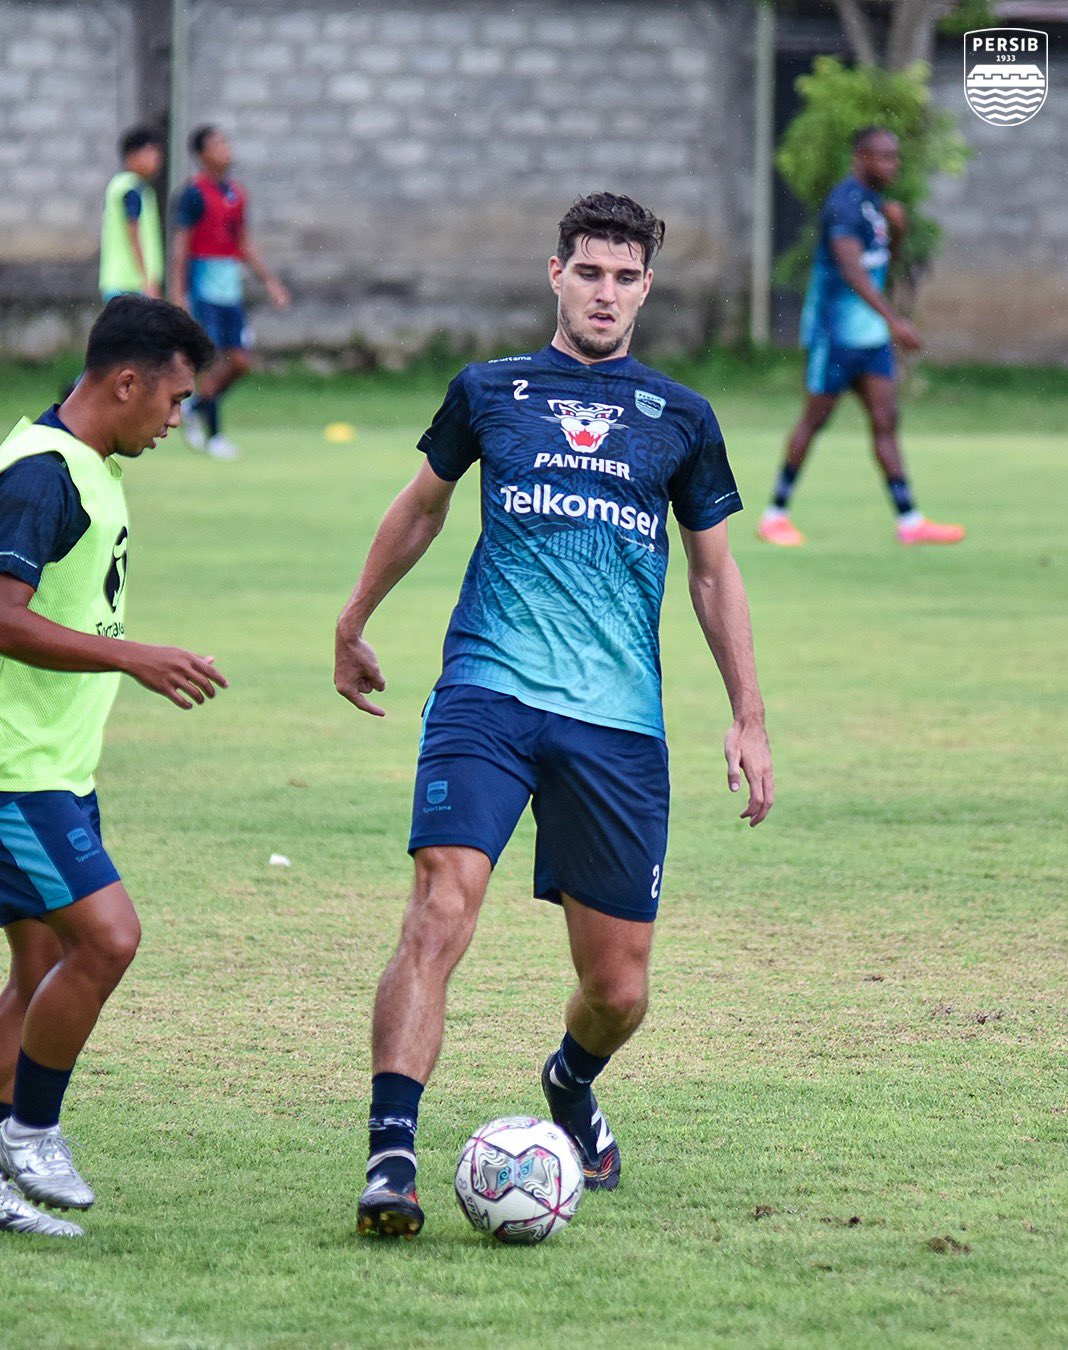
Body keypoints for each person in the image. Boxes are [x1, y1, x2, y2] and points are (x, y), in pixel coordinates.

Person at [334, 192, 775, 1240]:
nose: (606, 293)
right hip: (487, 692)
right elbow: (425, 506)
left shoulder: (681, 418)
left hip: (617, 723)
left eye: (625, 278)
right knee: (440, 910)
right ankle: (389, 1157)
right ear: (556, 274)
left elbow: (715, 577)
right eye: (590, 273)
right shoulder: (490, 390)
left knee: (619, 990)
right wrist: (354, 618)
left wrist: (748, 715)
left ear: (646, 290)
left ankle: (569, 1081)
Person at [0, 296, 227, 1238]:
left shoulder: (83, 463)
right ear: (124, 382)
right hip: (16, 774)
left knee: (44, 960)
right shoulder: (42, 476)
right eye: (173, 399)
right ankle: (32, 1132)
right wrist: (135, 656)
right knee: (110, 938)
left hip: (57, 768)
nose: (178, 419)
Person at [758, 127, 965, 547]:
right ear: (861, 157)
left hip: (869, 339)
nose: (892, 164)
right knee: (815, 420)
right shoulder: (844, 204)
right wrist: (896, 320)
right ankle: (774, 515)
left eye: (895, 157)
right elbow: (852, 271)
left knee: (886, 420)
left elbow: (881, 267)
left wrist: (899, 231)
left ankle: (909, 522)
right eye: (883, 157)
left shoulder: (876, 206)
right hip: (835, 335)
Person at [169, 124, 290, 461]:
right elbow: (181, 249)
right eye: (217, 144)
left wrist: (271, 282)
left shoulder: (237, 193)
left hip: (230, 291)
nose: (226, 149)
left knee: (240, 361)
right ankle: (215, 435)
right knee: (208, 361)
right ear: (201, 155)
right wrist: (178, 296)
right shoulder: (193, 194)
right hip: (204, 289)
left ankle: (195, 406)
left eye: (226, 143)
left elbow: (244, 245)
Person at [99, 126, 165, 303]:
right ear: (132, 155)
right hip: (129, 284)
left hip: (126, 283)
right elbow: (133, 232)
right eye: (150, 152)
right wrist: (147, 282)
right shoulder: (130, 188)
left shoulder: (138, 188)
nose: (156, 159)